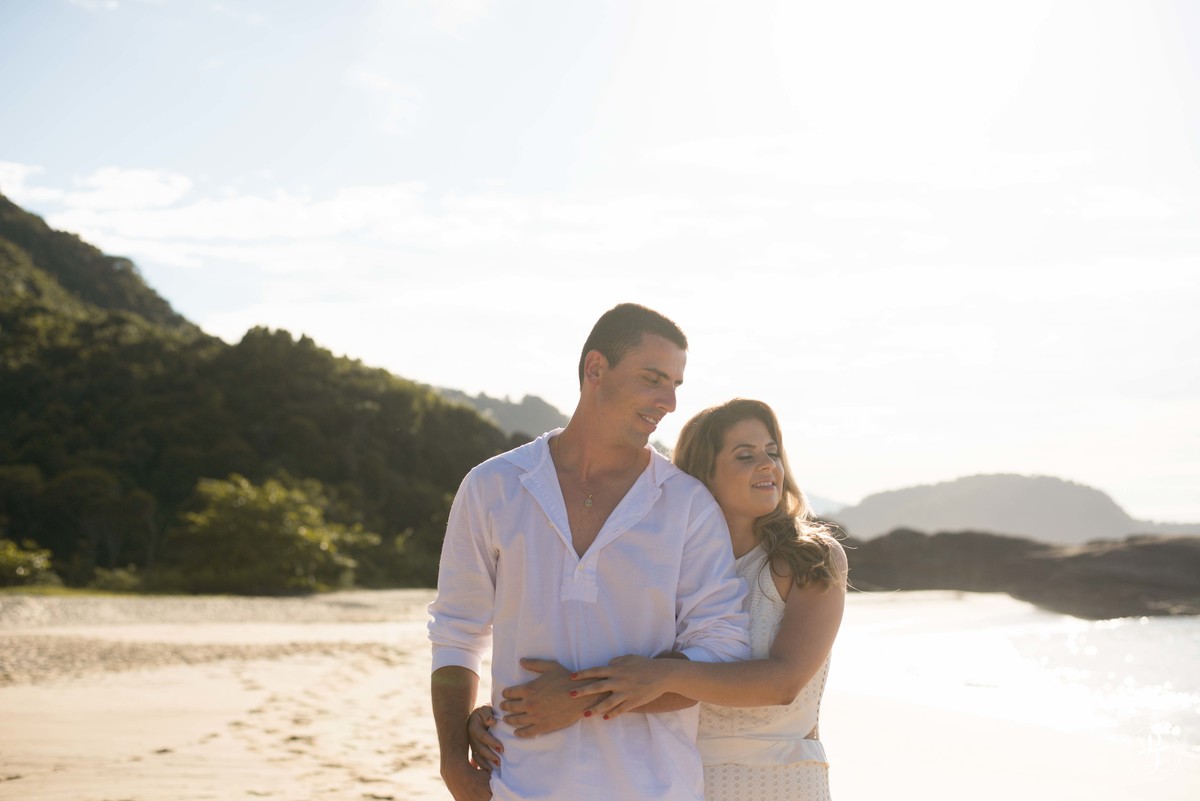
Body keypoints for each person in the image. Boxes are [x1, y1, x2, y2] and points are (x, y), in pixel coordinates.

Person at [429, 303, 751, 801]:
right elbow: (456, 632)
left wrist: (581, 697)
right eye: (652, 378)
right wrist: (453, 761)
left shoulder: (688, 505)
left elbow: (721, 653)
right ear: (596, 368)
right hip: (518, 784)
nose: (668, 401)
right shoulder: (492, 486)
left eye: (675, 385)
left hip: (653, 788)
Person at [471, 398, 848, 801]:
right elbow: (595, 650)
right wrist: (502, 714)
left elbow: (783, 683)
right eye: (745, 455)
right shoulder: (663, 567)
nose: (768, 465)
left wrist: (652, 678)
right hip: (678, 780)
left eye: (772, 452)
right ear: (704, 474)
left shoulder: (811, 559)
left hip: (785, 782)